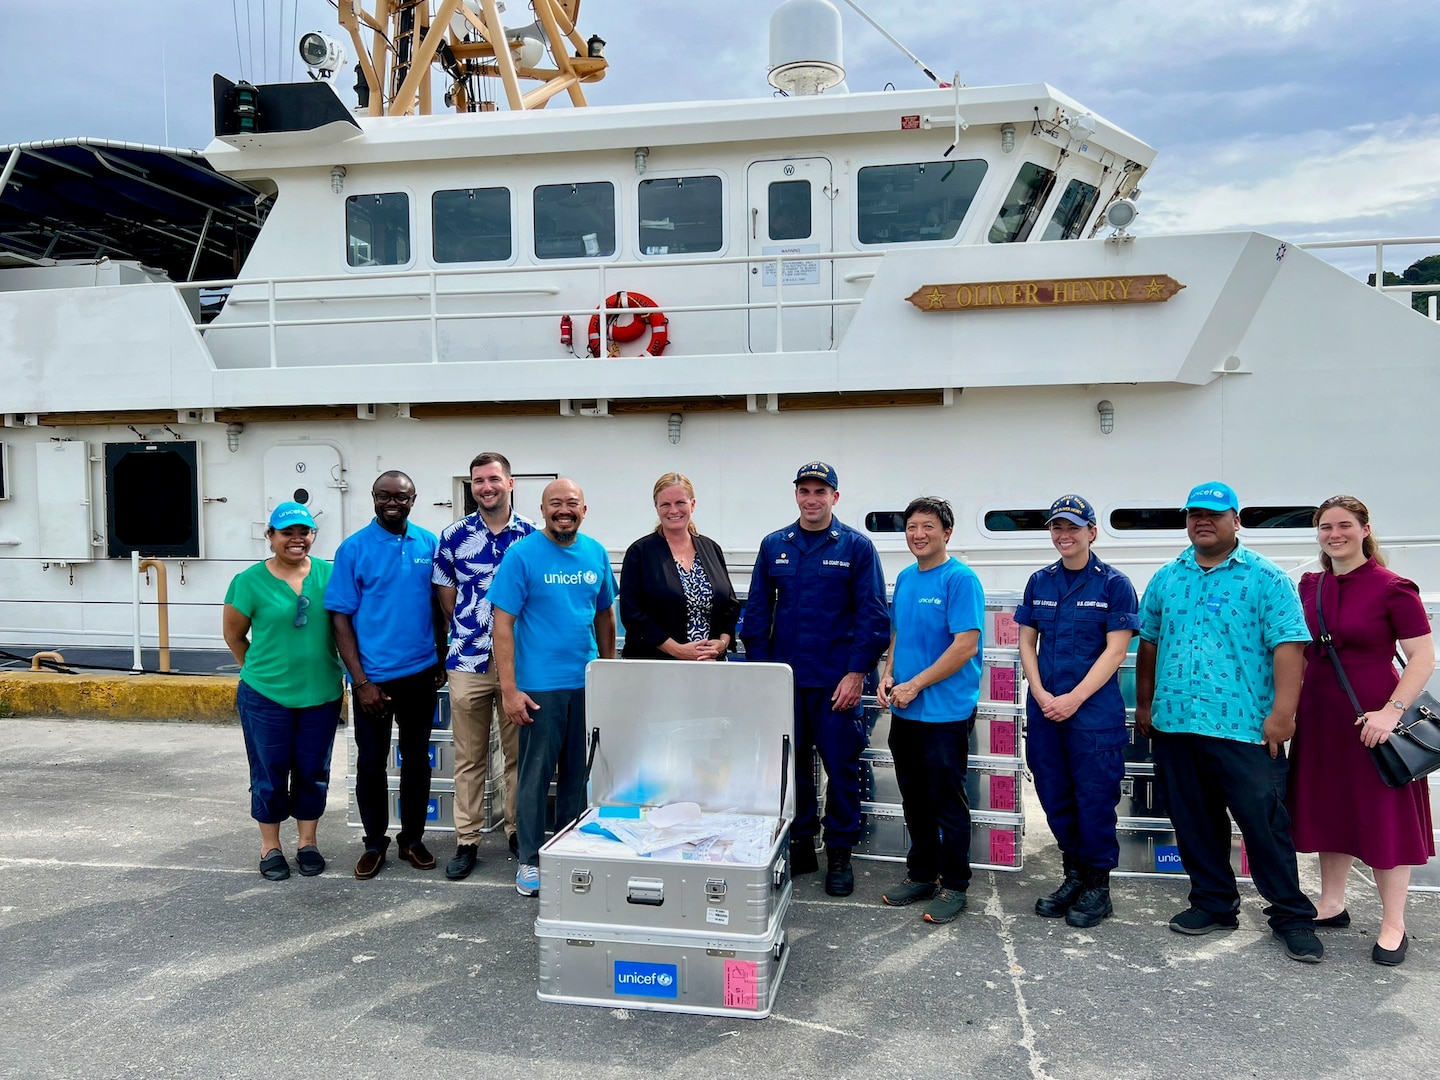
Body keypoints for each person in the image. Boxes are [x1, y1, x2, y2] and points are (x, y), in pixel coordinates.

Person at [1135, 481, 1323, 963]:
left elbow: (1289, 646)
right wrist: (1144, 706)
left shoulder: (1265, 578)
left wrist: (1284, 715)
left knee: (1264, 826)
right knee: (1194, 823)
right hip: (1177, 724)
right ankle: (1214, 904)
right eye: (1194, 514)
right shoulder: (1167, 577)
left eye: (1214, 514)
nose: (1203, 521)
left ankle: (1291, 915)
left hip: (1245, 727)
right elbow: (1150, 644)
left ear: (1235, 520)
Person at [1286, 495, 1436, 966]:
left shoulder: (1394, 587)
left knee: (1384, 817)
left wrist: (1391, 713)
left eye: (1345, 525)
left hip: (1374, 716)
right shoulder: (1310, 585)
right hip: (1320, 715)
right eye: (1326, 527)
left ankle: (1394, 922)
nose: (1335, 534)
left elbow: (1423, 658)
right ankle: (1332, 903)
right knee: (1331, 810)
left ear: (1365, 529)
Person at [742, 461, 890, 897]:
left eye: (820, 492)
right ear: (796, 496)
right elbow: (756, 613)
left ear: (835, 498)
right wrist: (764, 674)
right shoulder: (774, 546)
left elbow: (874, 615)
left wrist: (856, 673)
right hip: (785, 679)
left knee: (842, 768)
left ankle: (840, 852)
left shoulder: (856, 548)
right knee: (790, 768)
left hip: (835, 683)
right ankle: (801, 842)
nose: (812, 499)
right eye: (804, 491)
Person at [1015, 494, 1139, 928]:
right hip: (1047, 709)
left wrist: (1074, 698)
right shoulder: (1040, 581)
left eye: (1072, 527)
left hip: (1091, 714)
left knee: (1094, 800)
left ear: (1091, 532)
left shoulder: (1113, 584)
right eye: (1057, 528)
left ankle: (1098, 888)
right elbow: (1027, 642)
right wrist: (1040, 690)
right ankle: (1074, 875)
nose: (1064, 535)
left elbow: (1115, 652)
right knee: (1054, 794)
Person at [490, 478, 617, 897]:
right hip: (538, 689)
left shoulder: (596, 552)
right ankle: (529, 861)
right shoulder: (521, 555)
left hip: (584, 685)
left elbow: (604, 618)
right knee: (534, 776)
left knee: (578, 779)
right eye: (555, 503)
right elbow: (502, 626)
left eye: (572, 503)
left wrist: (607, 676)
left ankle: (570, 853)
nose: (565, 510)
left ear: (585, 509)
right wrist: (509, 690)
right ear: (542, 510)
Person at [326, 471, 446, 880]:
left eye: (401, 496)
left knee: (417, 761)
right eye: (384, 496)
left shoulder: (429, 544)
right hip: (372, 680)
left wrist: (440, 658)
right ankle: (374, 842)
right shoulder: (353, 549)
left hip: (420, 674)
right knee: (371, 763)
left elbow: (437, 606)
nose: (392, 502)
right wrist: (360, 682)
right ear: (373, 498)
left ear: (414, 499)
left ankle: (412, 839)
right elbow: (339, 618)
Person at [222, 502, 344, 881]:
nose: (296, 539)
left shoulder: (330, 574)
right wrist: (259, 671)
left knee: (312, 770)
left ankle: (307, 843)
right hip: (265, 696)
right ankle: (270, 846)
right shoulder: (248, 581)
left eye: (304, 532)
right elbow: (234, 634)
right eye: (287, 532)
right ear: (271, 536)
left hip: (321, 694)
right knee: (269, 772)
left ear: (313, 536)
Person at [877, 497, 984, 924]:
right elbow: (898, 632)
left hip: (944, 712)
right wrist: (888, 674)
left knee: (947, 802)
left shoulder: (960, 580)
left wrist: (915, 684)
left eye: (927, 526)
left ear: (947, 533)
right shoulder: (905, 578)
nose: (918, 534)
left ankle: (954, 884)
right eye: (911, 527)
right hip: (906, 711)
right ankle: (921, 874)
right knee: (914, 799)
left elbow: (965, 646)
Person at [433, 452, 537, 880]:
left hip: (521, 662)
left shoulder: (533, 536)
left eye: (494, 479)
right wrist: (469, 629)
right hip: (468, 659)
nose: (486, 487)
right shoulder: (453, 535)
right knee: (469, 758)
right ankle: (468, 839)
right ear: (471, 487)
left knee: (518, 756)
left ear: (510, 483)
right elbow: (446, 593)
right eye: (478, 481)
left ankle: (517, 831)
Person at [619, 472, 739, 661]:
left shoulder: (711, 549)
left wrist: (722, 643)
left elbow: (730, 605)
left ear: (692, 504)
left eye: (680, 503)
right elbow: (632, 614)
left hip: (709, 666)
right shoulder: (640, 553)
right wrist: (678, 650)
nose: (673, 510)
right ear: (656, 508)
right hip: (655, 667)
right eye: (665, 504)